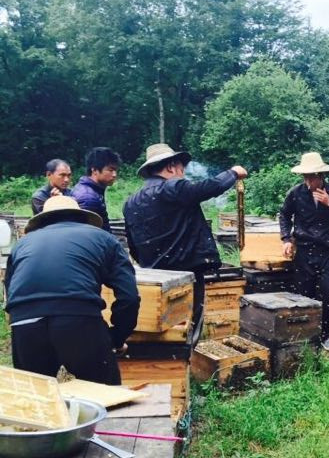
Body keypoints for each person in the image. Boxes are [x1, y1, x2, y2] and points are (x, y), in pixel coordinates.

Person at [4, 197, 139, 385]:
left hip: (25, 324)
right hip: (79, 321)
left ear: (42, 221)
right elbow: (129, 297)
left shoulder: (22, 245)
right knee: (105, 397)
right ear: (81, 217)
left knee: (36, 403)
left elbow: (10, 293)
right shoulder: (103, 238)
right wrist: (115, 338)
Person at [123, 143, 247, 345]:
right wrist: (233, 173)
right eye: (181, 168)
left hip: (154, 276)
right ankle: (184, 366)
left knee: (159, 329)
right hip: (185, 274)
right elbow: (208, 187)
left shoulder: (130, 202)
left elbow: (133, 244)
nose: (183, 174)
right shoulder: (172, 188)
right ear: (171, 166)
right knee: (186, 329)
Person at [279, 152, 329, 351]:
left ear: (321, 176)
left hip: (328, 251)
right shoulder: (295, 193)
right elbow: (284, 215)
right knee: (305, 295)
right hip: (304, 251)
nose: (308, 180)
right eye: (305, 176)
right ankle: (307, 335)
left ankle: (326, 335)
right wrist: (286, 239)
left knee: (328, 293)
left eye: (312, 176)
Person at [72, 147, 122, 232]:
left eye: (115, 170)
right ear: (94, 170)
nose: (114, 174)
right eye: (110, 170)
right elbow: (90, 234)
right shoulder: (88, 198)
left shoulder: (92, 190)